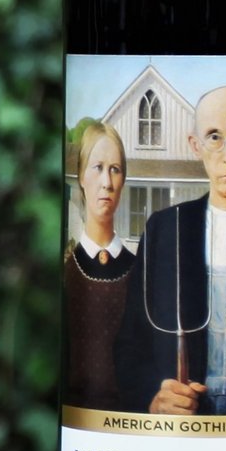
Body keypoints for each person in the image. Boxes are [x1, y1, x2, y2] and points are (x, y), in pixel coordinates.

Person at [111, 86, 226, 416]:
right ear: (195, 145)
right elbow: (131, 343)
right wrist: (153, 396)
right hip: (190, 422)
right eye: (214, 137)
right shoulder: (166, 230)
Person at [64, 121, 136, 407]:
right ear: (82, 176)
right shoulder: (65, 273)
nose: (107, 182)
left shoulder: (141, 273)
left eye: (115, 169)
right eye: (97, 168)